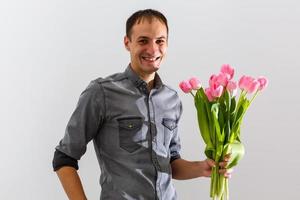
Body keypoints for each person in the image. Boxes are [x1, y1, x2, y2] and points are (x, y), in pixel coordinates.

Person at [52, 9, 232, 200]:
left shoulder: (172, 99)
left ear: (167, 44)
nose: (153, 50)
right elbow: (64, 158)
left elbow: (170, 162)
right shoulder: (101, 92)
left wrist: (202, 168)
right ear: (127, 43)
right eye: (143, 40)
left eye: (159, 41)